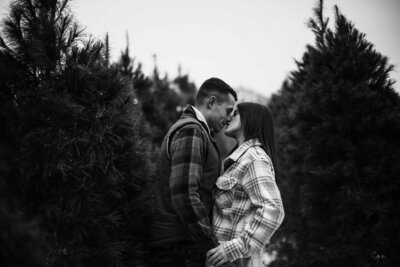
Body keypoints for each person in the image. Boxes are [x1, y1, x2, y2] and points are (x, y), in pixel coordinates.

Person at [149, 78, 237, 267]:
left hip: (180, 246)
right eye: (228, 111)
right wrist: (213, 248)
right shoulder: (192, 130)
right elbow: (184, 194)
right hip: (180, 248)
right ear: (212, 102)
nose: (230, 119)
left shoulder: (196, 131)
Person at [207, 102, 285, 267]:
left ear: (251, 119)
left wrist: (231, 249)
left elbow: (273, 209)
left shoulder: (254, 158)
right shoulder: (240, 159)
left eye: (235, 113)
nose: (229, 117)